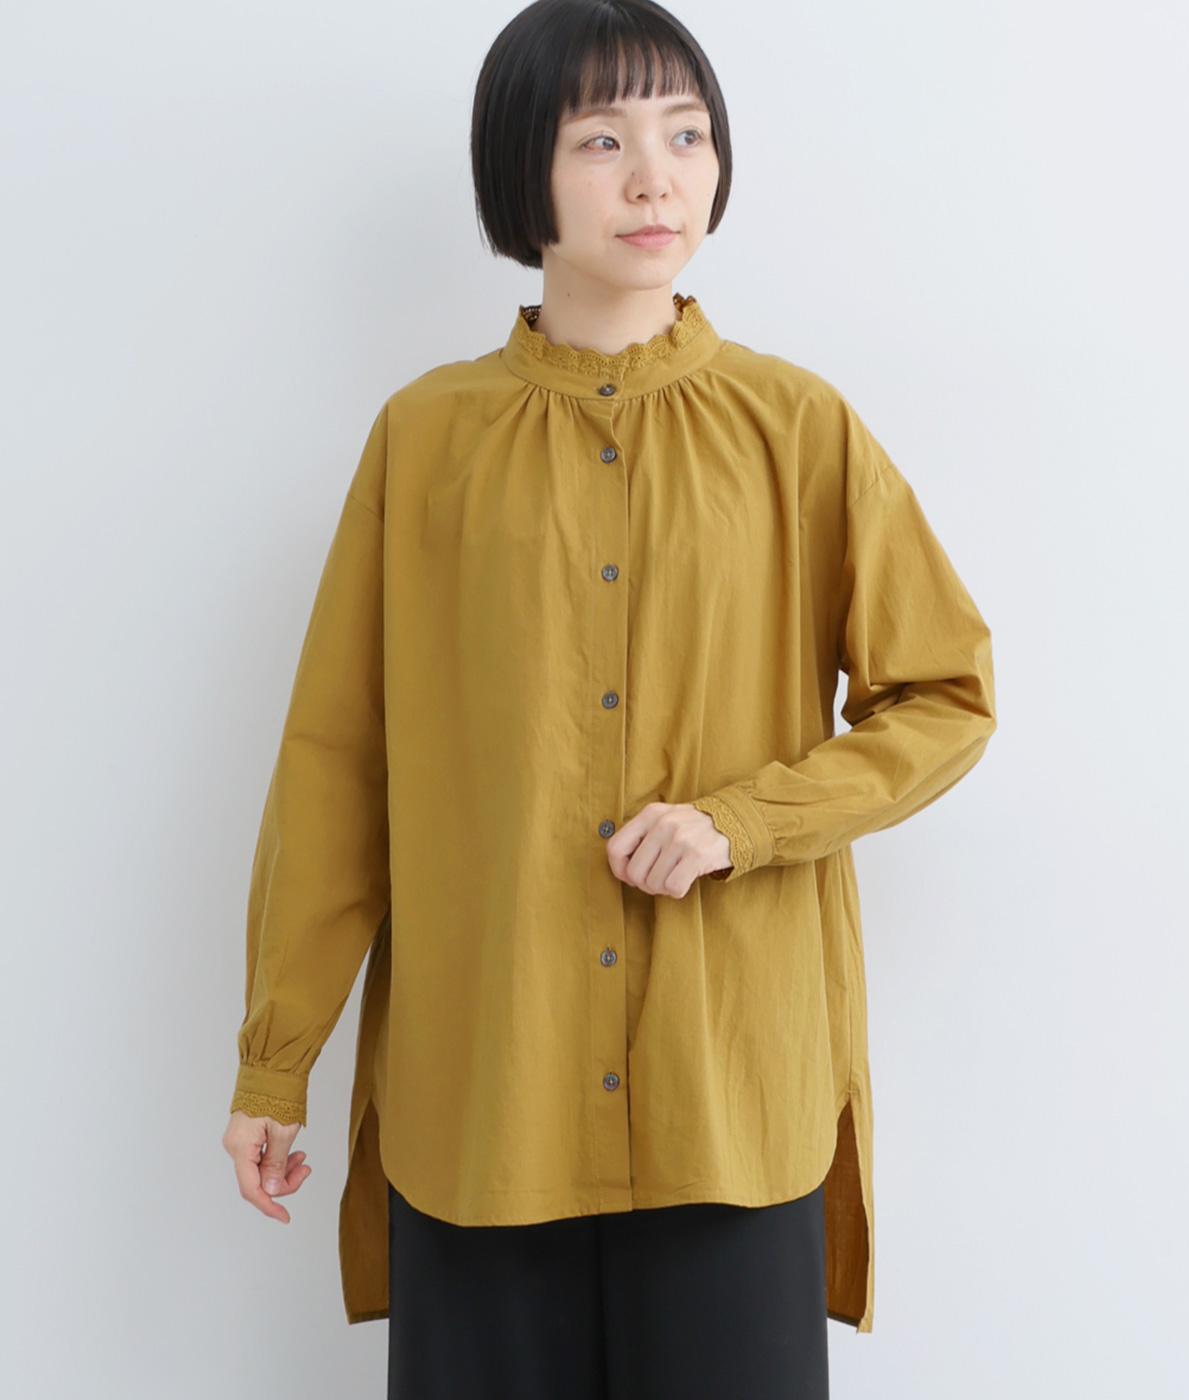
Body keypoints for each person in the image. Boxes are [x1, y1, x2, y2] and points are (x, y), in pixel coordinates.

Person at [221, 2, 998, 1396]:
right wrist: (277, 1064)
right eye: (603, 140)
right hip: (487, 1104)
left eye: (687, 135)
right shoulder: (424, 440)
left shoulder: (797, 428)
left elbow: (944, 696)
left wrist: (742, 822)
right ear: (521, 170)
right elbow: (339, 767)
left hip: (727, 1103)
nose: (656, 178)